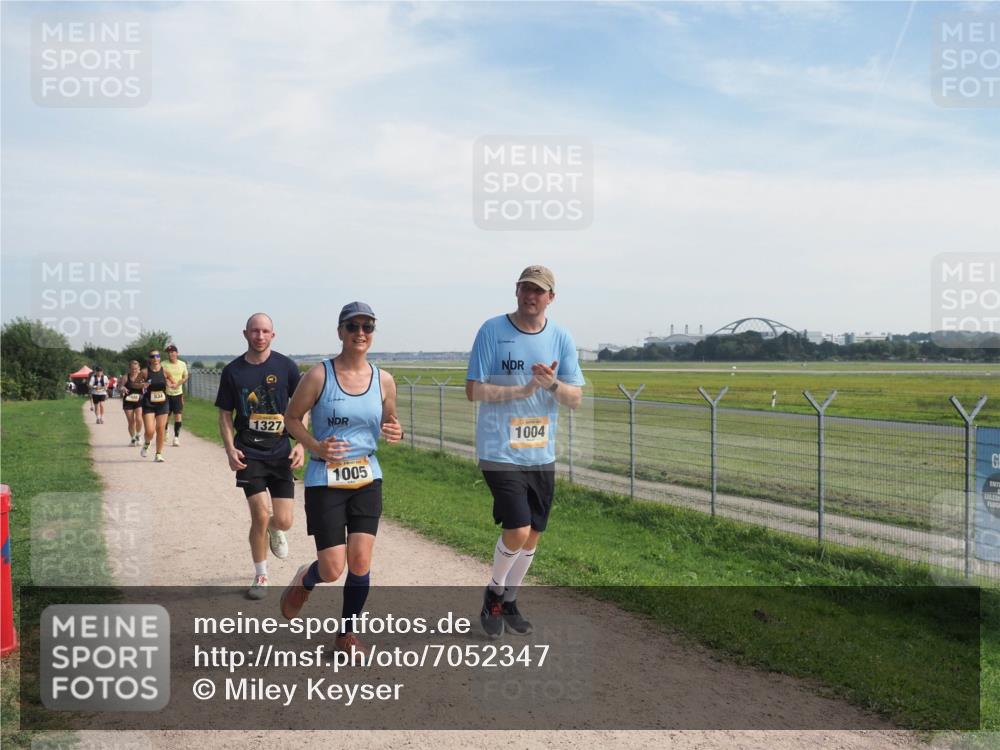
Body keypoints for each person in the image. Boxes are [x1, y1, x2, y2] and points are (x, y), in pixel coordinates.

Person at [466, 265, 584, 638]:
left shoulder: (561, 338)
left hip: (540, 451)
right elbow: (473, 389)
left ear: (551, 297)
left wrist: (551, 385)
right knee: (517, 527)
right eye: (525, 289)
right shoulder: (492, 330)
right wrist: (520, 391)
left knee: (533, 534)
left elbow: (575, 398)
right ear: (516, 291)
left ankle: (510, 599)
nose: (530, 296)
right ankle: (494, 594)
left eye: (538, 291)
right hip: (498, 448)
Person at [281, 302, 403, 656]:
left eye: (367, 327)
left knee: (361, 561)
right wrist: (316, 446)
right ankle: (307, 577)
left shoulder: (384, 380)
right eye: (353, 326)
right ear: (340, 332)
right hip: (325, 481)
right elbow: (292, 419)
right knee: (333, 568)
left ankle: (345, 634)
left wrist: (395, 429)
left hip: (367, 476)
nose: (360, 333)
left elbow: (390, 419)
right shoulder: (319, 375)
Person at [215, 313, 305, 600]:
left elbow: (304, 406)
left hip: (280, 452)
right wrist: (230, 449)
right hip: (248, 452)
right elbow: (225, 415)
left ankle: (276, 530)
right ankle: (261, 574)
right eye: (255, 331)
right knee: (258, 514)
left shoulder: (287, 366)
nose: (260, 336)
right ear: (245, 334)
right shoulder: (233, 371)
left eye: (265, 331)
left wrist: (301, 443)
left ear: (273, 335)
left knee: (284, 520)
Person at [140, 351, 170, 462]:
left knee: (161, 429)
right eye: (153, 356)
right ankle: (147, 443)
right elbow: (135, 384)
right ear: (150, 359)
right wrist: (142, 385)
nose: (155, 358)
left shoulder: (165, 371)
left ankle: (158, 454)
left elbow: (172, 382)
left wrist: (171, 384)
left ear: (160, 358)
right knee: (150, 431)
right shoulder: (144, 372)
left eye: (157, 356)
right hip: (149, 403)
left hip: (163, 403)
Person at [162, 343, 189, 447]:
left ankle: (176, 437)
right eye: (169, 353)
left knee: (178, 415)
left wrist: (178, 384)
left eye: (172, 352)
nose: (170, 354)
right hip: (166, 393)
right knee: (166, 416)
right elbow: (161, 376)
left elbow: (185, 376)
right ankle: (165, 431)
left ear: (177, 353)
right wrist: (167, 383)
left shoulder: (182, 364)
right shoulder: (163, 364)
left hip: (178, 393)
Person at [120, 360, 145, 445]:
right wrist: (122, 388)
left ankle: (138, 435)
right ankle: (133, 438)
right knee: (131, 421)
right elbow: (119, 387)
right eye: (132, 369)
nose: (134, 370)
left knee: (139, 419)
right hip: (128, 401)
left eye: (136, 369)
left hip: (139, 400)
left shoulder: (142, 377)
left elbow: (148, 386)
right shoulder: (125, 377)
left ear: (139, 368)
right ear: (129, 369)